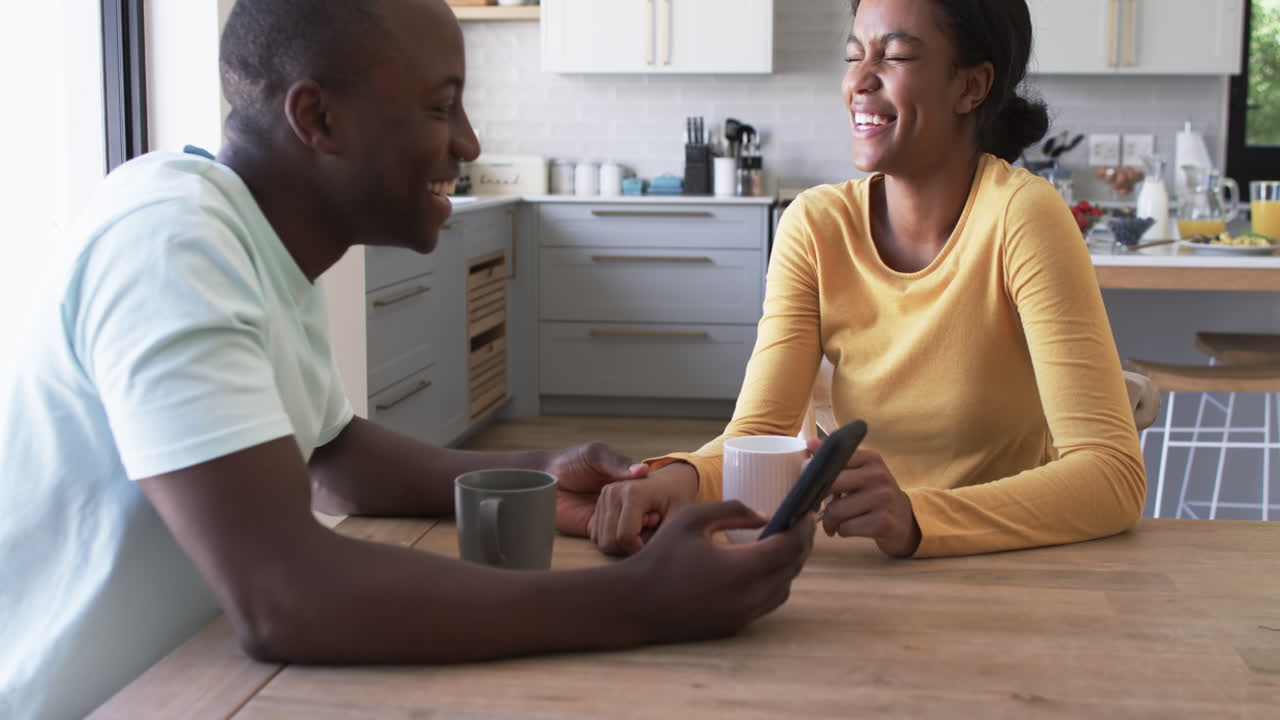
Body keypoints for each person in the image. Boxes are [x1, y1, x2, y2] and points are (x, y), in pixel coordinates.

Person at [0, 1, 815, 717]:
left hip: (195, 675)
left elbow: (335, 454)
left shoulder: (257, 245)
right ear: (317, 119)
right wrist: (639, 602)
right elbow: (284, 596)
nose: (468, 141)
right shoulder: (173, 245)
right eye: (442, 107)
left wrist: (538, 474)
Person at [587, 0, 1146, 560]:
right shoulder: (815, 224)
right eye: (855, 55)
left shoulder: (1020, 215)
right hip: (856, 565)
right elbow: (761, 429)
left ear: (971, 86)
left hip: (1006, 568)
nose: (858, 79)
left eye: (896, 55)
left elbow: (1111, 476)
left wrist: (917, 517)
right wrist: (675, 478)